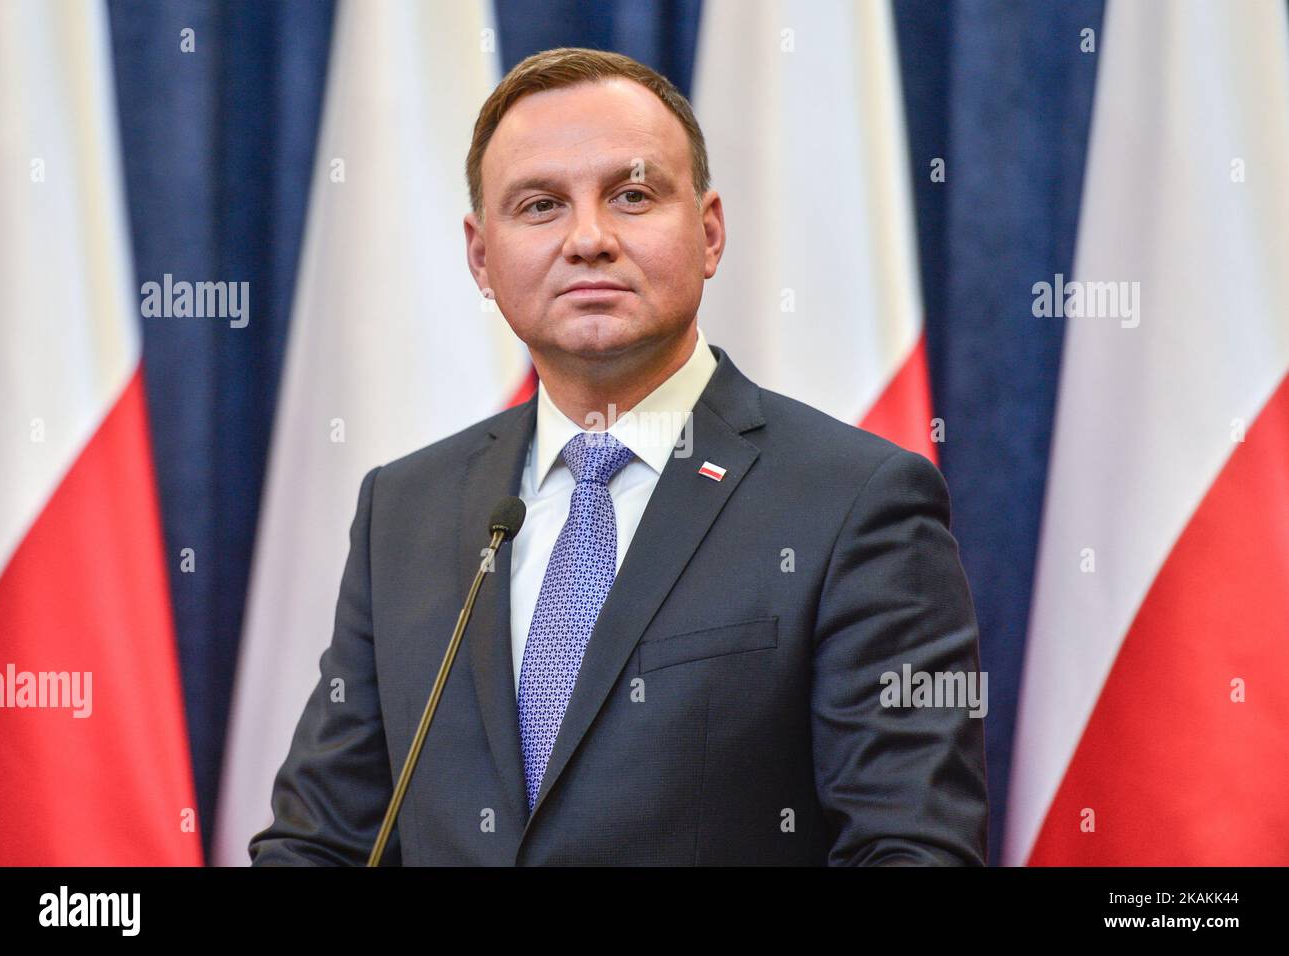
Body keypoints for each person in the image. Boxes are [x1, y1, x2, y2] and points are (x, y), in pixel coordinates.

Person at [250, 47, 987, 866]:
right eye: (539, 206)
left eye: (632, 196)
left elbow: (911, 850)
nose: (589, 238)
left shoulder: (856, 503)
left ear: (708, 234)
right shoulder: (406, 509)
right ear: (481, 257)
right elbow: (321, 843)